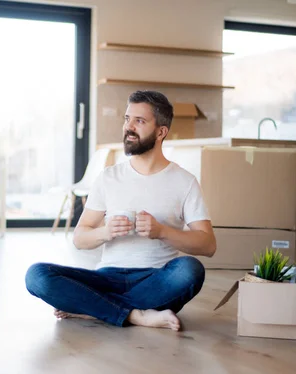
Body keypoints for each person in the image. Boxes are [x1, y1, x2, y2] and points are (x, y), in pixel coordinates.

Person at [25, 90, 216, 331]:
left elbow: (208, 245)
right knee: (37, 275)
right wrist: (105, 232)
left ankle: (95, 309)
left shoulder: (184, 181)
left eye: (139, 121)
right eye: (127, 119)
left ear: (161, 132)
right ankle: (135, 315)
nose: (128, 127)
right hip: (106, 278)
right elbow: (80, 238)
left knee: (190, 270)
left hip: (156, 280)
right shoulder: (108, 177)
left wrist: (162, 231)